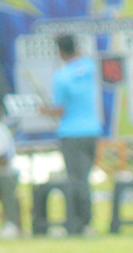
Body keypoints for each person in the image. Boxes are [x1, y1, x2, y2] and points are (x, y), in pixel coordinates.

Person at [44, 34, 102, 237]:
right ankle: (83, 223)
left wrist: (45, 111)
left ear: (60, 52)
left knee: (77, 180)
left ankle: (82, 224)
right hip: (92, 131)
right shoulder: (89, 66)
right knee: (84, 178)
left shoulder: (61, 76)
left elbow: (60, 109)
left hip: (71, 133)